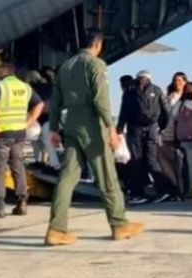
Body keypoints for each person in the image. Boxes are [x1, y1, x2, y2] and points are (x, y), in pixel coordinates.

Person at [45, 29, 144, 246]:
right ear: (98, 45)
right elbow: (100, 98)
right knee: (107, 176)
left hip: (71, 123)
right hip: (92, 124)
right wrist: (110, 127)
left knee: (66, 178)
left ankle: (56, 229)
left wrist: (53, 128)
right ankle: (119, 224)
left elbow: (55, 100)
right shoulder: (96, 64)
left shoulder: (65, 66)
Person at [0, 62, 44, 218]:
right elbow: (39, 104)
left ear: (5, 70)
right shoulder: (25, 87)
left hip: (1, 133)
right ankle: (22, 202)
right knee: (17, 166)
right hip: (19, 133)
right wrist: (29, 122)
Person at [118, 70, 172, 203]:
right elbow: (166, 111)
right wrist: (162, 127)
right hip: (152, 128)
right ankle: (163, 190)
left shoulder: (130, 90)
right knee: (152, 160)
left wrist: (119, 128)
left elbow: (124, 111)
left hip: (135, 128)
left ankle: (138, 193)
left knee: (136, 161)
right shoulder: (157, 90)